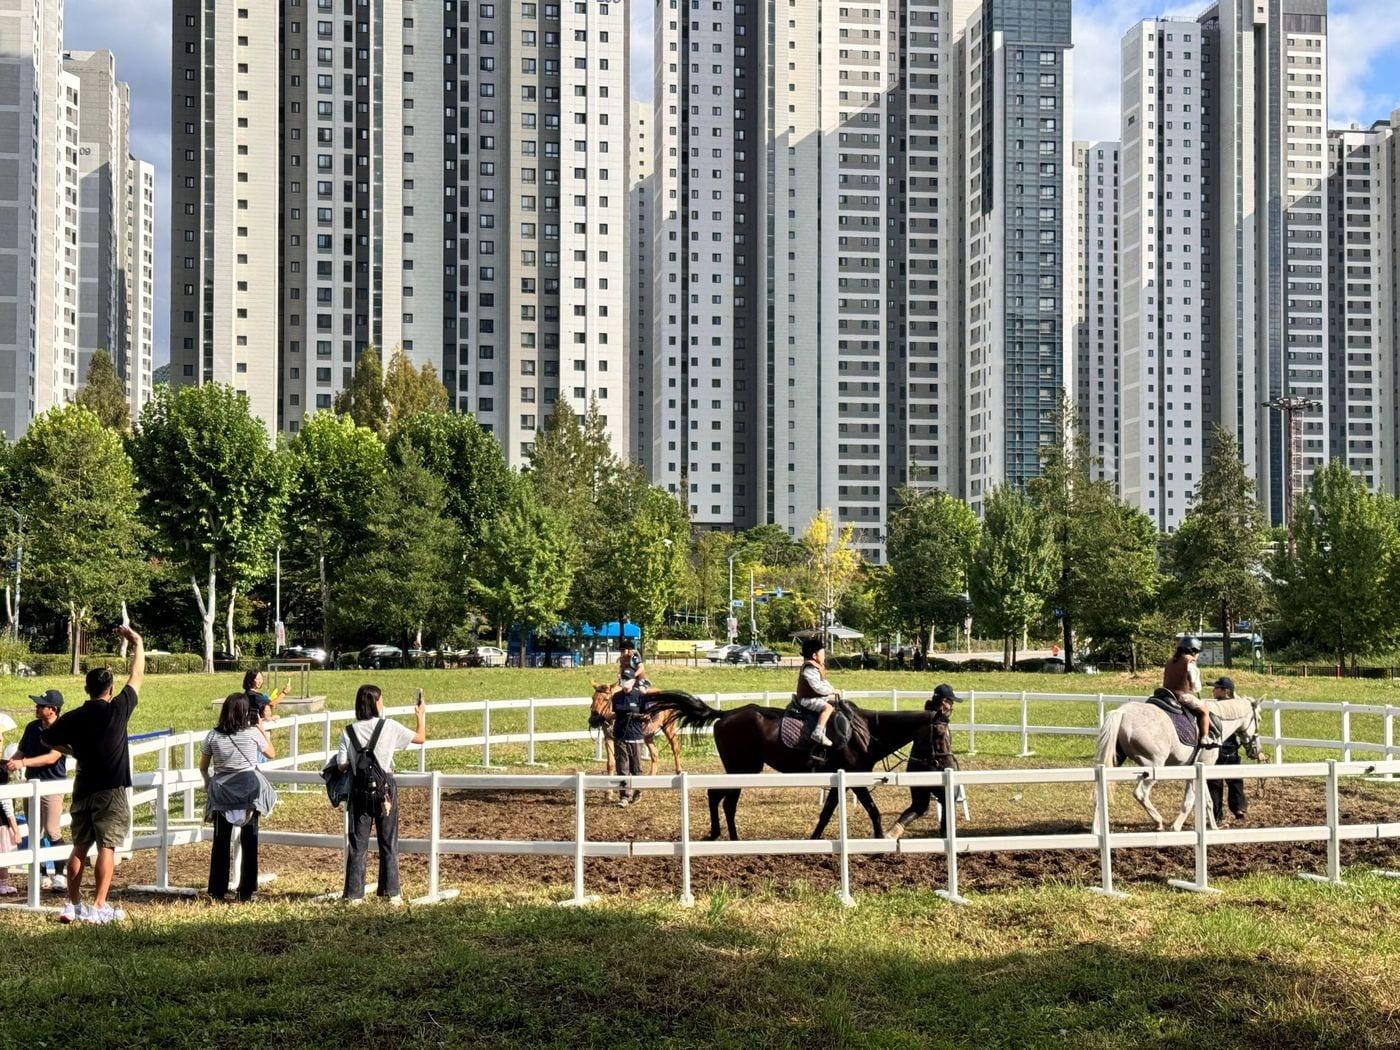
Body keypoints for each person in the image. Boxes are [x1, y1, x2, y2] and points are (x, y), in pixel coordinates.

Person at [40, 625, 144, 924]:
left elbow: (48, 738)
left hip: (83, 787)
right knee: (107, 847)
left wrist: (72, 751)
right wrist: (136, 642)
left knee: (79, 846)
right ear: (110, 688)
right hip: (111, 789)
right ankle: (99, 905)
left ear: (86, 688)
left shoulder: (74, 716)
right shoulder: (118, 709)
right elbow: (137, 676)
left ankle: (73, 904)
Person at [335, 684, 426, 904]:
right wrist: (420, 716)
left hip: (359, 791)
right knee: (388, 841)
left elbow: (341, 765)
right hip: (385, 790)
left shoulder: (348, 732)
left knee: (358, 843)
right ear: (376, 703)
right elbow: (421, 738)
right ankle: (391, 891)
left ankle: (354, 894)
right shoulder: (390, 726)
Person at [200, 692, 276, 902]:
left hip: (222, 794)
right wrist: (260, 726)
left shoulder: (213, 736)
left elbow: (204, 766)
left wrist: (208, 782)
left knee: (220, 842)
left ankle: (217, 889)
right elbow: (271, 753)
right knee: (250, 841)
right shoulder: (252, 733)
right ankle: (247, 890)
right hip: (248, 792)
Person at [5, 690, 68, 890]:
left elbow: (52, 757)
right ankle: (41, 874)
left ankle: (60, 873)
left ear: (53, 710)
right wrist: (10, 763)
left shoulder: (61, 728)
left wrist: (23, 762)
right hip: (32, 783)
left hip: (52, 784)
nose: (37, 708)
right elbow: (21, 750)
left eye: (41, 705)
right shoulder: (32, 728)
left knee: (52, 830)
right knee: (35, 831)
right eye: (38, 705)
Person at [889, 684, 957, 841]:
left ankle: (896, 829)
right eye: (951, 702)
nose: (952, 706)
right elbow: (941, 749)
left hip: (914, 766)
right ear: (944, 702)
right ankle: (947, 836)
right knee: (949, 797)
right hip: (931, 768)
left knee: (919, 805)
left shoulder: (924, 715)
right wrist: (950, 766)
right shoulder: (938, 721)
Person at [1206, 676, 1248, 823]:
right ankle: (1229, 811)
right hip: (1220, 747)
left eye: (1216, 688)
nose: (1213, 690)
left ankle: (1234, 810)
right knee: (1218, 781)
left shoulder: (1230, 708)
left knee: (1230, 779)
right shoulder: (1214, 706)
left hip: (1227, 747)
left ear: (1226, 691)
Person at [792, 633, 839, 747]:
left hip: (815, 697)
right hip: (807, 700)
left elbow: (823, 682)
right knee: (828, 708)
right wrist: (831, 691)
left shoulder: (817, 667)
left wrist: (832, 689)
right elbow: (817, 687)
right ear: (814, 655)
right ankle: (818, 732)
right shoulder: (809, 668)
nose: (824, 657)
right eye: (822, 654)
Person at [1163, 636, 1209, 743]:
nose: (1198, 654)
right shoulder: (1190, 663)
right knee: (1205, 711)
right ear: (1192, 651)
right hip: (1181, 696)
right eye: (1197, 651)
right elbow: (1196, 687)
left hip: (1165, 693)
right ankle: (1205, 738)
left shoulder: (1170, 661)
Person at [611, 681, 647, 808]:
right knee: (622, 767)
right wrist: (603, 718)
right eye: (623, 678)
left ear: (633, 681)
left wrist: (638, 716)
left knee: (636, 767)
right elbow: (615, 714)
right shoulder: (616, 697)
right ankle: (624, 796)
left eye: (628, 678)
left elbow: (647, 714)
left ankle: (638, 791)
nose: (625, 681)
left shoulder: (640, 696)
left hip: (635, 736)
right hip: (620, 736)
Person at [0, 713, 21, 895]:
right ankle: (3, 883)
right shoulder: (2, 774)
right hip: (1, 823)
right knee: (4, 854)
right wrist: (15, 828)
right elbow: (6, 804)